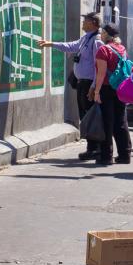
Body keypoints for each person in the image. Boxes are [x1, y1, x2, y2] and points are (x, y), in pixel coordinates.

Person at [39, 12, 103, 160]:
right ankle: (91, 147)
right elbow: (71, 46)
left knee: (90, 116)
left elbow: (99, 67)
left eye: (85, 21)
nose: (82, 23)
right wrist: (51, 44)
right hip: (82, 84)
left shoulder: (97, 41)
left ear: (93, 23)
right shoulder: (86, 38)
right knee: (84, 116)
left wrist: (94, 87)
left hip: (89, 85)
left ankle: (95, 148)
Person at [91, 24, 132, 166]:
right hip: (120, 89)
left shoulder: (103, 50)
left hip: (107, 89)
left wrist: (96, 92)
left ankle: (106, 156)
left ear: (106, 34)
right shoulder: (122, 49)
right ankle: (125, 154)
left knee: (106, 122)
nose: (100, 34)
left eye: (102, 32)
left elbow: (101, 74)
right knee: (121, 121)